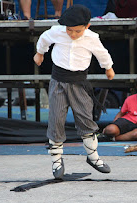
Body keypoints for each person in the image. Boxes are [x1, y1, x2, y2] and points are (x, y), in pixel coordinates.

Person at [33, 4, 115, 179]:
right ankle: (56, 160)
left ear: (87, 27)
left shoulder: (92, 38)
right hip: (58, 82)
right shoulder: (57, 31)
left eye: (77, 31)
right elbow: (44, 38)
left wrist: (108, 68)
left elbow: (102, 54)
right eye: (70, 30)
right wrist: (40, 53)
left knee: (85, 118)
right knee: (56, 119)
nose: (73, 34)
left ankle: (93, 157)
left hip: (79, 83)